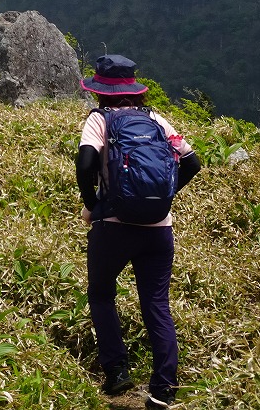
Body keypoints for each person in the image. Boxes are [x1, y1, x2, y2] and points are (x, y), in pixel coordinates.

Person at [76, 54, 201, 410]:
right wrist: (164, 197)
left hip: (113, 227)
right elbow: (192, 162)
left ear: (100, 90)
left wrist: (94, 205)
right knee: (157, 303)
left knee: (101, 294)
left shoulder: (99, 119)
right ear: (134, 88)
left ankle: (117, 371)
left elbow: (85, 164)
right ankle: (163, 389)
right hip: (159, 230)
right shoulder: (155, 119)